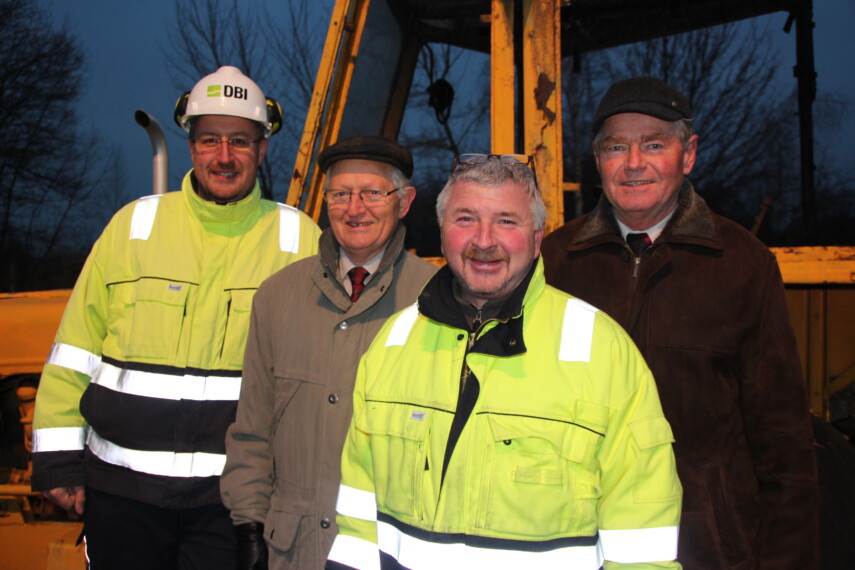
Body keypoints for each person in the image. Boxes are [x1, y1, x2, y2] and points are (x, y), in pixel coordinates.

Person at [327, 154, 683, 569]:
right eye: (465, 219)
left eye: (506, 221)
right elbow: (357, 524)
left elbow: (642, 545)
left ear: (536, 238)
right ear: (442, 235)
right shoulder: (395, 342)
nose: (483, 240)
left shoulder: (601, 351)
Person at [30, 66, 322, 569]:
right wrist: (58, 459)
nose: (224, 157)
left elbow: (321, 378)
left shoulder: (298, 241)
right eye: (210, 140)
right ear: (191, 147)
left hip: (232, 503)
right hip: (122, 497)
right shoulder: (133, 227)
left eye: (239, 141)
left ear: (263, 149)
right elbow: (74, 350)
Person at [541, 76, 819, 569]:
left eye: (654, 144)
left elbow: (783, 440)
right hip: (576, 537)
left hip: (706, 546)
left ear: (687, 154)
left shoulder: (742, 264)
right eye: (615, 147)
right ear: (597, 159)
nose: (633, 163)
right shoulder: (555, 261)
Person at [220, 135, 437, 569]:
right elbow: (252, 431)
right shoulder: (278, 297)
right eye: (341, 194)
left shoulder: (435, 302)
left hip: (391, 550)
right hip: (292, 550)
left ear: (405, 201)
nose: (355, 209)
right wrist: (248, 525)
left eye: (373, 193)